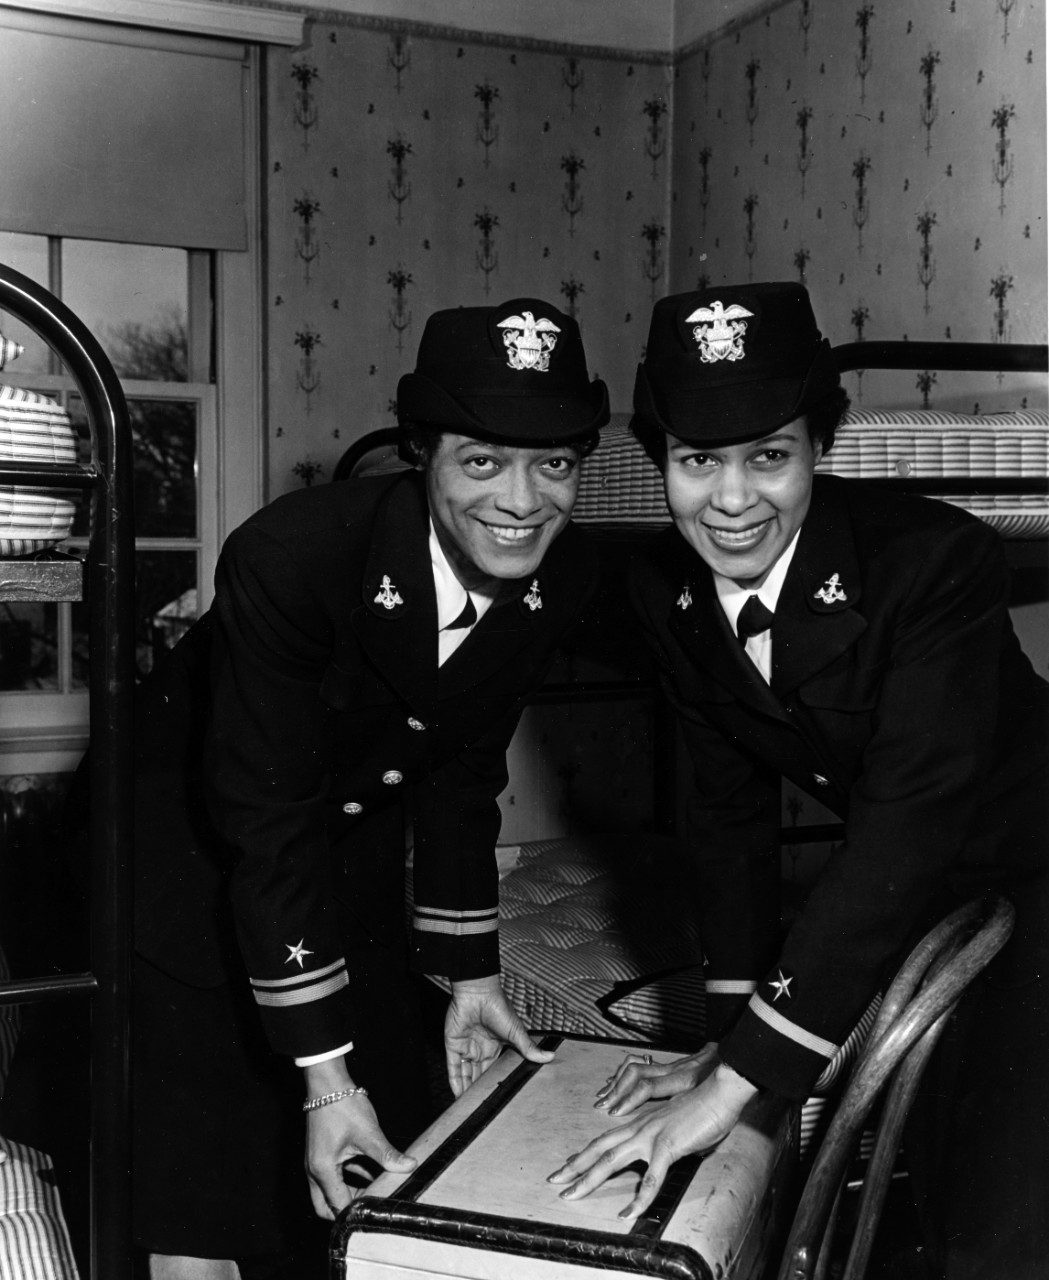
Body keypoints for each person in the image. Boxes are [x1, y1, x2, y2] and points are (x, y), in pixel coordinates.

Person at [547, 283, 1048, 1280]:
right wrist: (731, 1030)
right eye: (695, 461)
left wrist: (737, 1079)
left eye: (766, 456)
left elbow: (900, 833)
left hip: (1036, 859)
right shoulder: (665, 586)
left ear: (818, 446)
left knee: (996, 1212)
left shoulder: (934, 562)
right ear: (659, 462)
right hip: (929, 882)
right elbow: (722, 813)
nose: (731, 501)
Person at [129, 297, 609, 1277]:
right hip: (178, 832)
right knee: (200, 1201)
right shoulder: (291, 557)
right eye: (481, 461)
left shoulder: (549, 582)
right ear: (419, 453)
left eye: (553, 463)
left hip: (336, 824)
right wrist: (321, 1076)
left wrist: (471, 973)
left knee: (384, 1168)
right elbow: (265, 824)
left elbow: (463, 769)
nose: (522, 500)